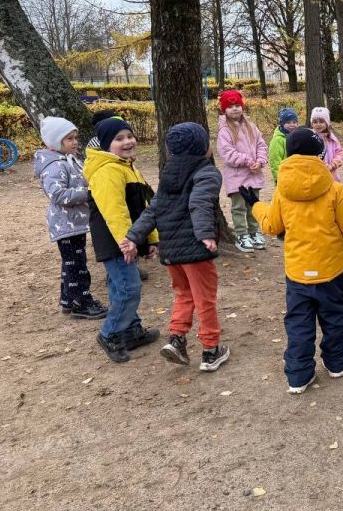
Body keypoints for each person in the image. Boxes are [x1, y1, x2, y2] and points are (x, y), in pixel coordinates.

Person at [245, 127, 343, 393]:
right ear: (319, 154)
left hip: (297, 275)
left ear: (289, 154)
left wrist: (255, 206)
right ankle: (336, 364)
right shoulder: (334, 189)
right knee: (334, 318)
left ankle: (298, 376)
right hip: (331, 272)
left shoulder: (283, 191)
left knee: (298, 325)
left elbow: (271, 226)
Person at [123, 123, 230, 372]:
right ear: (203, 148)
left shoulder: (169, 172)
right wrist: (205, 234)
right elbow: (200, 202)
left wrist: (133, 236)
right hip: (194, 249)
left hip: (171, 250)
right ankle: (211, 350)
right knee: (205, 299)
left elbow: (154, 209)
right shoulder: (208, 172)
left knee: (183, 294)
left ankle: (176, 340)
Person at [83, 117, 160, 363]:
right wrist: (127, 241)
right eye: (119, 139)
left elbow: (143, 207)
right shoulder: (107, 171)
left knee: (121, 287)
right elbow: (115, 211)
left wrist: (150, 239)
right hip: (116, 241)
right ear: (107, 145)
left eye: (129, 136)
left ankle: (131, 330)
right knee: (129, 289)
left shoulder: (127, 167)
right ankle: (110, 333)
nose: (127, 142)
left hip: (130, 238)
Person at [33, 116, 107, 319]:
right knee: (77, 265)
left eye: (75, 137)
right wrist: (89, 192)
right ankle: (81, 303)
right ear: (57, 142)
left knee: (71, 263)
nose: (75, 142)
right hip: (66, 224)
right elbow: (57, 195)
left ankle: (67, 300)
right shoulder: (55, 165)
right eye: (69, 139)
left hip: (75, 222)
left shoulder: (70, 160)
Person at [216, 89, 268, 253]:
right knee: (239, 207)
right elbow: (227, 153)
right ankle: (241, 234)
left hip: (254, 174)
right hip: (237, 176)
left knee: (254, 205)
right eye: (230, 106)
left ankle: (254, 232)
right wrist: (247, 160)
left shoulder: (251, 127)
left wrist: (260, 161)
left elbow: (261, 145)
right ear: (224, 109)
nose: (235, 109)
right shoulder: (224, 131)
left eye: (237, 105)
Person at [310, 106, 343, 182]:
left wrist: (334, 164)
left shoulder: (332, 137)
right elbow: (311, 154)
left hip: (332, 173)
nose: (318, 124)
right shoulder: (311, 137)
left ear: (327, 122)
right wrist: (324, 165)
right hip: (317, 173)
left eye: (321, 122)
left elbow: (339, 152)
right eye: (315, 122)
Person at [269, 108, 299, 183]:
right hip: (284, 177)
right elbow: (275, 161)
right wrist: (279, 178)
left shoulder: (299, 137)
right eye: (288, 122)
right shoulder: (278, 140)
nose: (292, 125)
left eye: (294, 122)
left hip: (297, 175)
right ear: (282, 124)